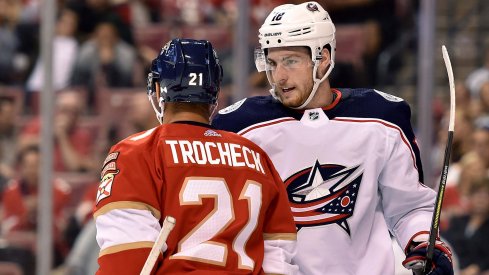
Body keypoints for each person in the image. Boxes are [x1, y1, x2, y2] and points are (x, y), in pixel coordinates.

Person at [211, 2, 454, 275]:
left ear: (323, 57)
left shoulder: (381, 119)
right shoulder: (239, 127)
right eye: (272, 62)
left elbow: (409, 207)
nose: (279, 76)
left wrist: (423, 243)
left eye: (291, 61)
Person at [93, 38, 298, 274]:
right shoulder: (255, 156)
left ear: (159, 89)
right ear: (215, 92)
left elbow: (127, 258)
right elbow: (280, 257)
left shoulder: (137, 151)